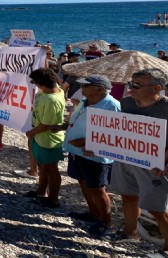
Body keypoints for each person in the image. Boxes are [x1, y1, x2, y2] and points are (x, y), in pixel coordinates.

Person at [109, 69, 168, 258]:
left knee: (158, 209)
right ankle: (131, 233)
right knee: (128, 197)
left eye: (136, 85)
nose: (131, 89)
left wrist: (164, 162)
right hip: (126, 159)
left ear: (157, 88)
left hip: (156, 165)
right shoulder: (126, 103)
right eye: (130, 84)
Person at [55, 75, 120, 236]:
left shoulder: (111, 105)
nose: (82, 88)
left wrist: (86, 142)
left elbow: (115, 133)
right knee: (83, 182)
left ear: (100, 89)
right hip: (77, 151)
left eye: (86, 86)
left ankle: (106, 222)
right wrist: (63, 126)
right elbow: (76, 120)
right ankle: (92, 212)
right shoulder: (85, 101)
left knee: (98, 189)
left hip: (96, 155)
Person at [24, 68, 66, 208]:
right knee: (43, 167)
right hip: (39, 137)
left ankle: (53, 198)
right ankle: (41, 191)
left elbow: (46, 124)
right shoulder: (51, 89)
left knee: (51, 169)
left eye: (35, 82)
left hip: (48, 140)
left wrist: (31, 133)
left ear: (41, 84)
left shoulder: (52, 100)